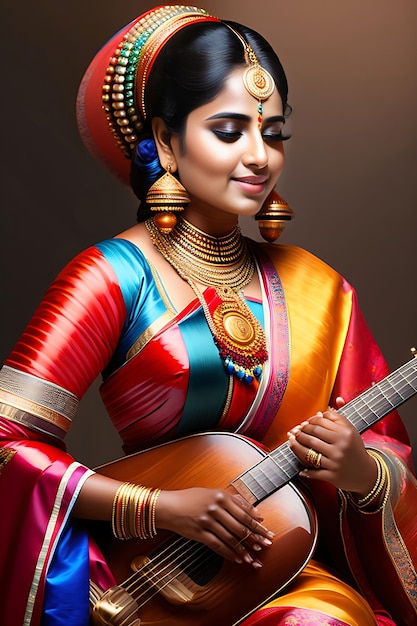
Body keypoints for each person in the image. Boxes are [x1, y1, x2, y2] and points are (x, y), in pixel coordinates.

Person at [0, 4, 416, 626]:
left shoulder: (320, 290)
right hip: (147, 574)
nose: (259, 157)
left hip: (280, 568)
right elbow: (8, 442)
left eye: (273, 134)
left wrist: (363, 471)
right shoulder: (113, 275)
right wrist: (157, 507)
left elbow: (388, 448)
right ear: (166, 141)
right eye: (229, 131)